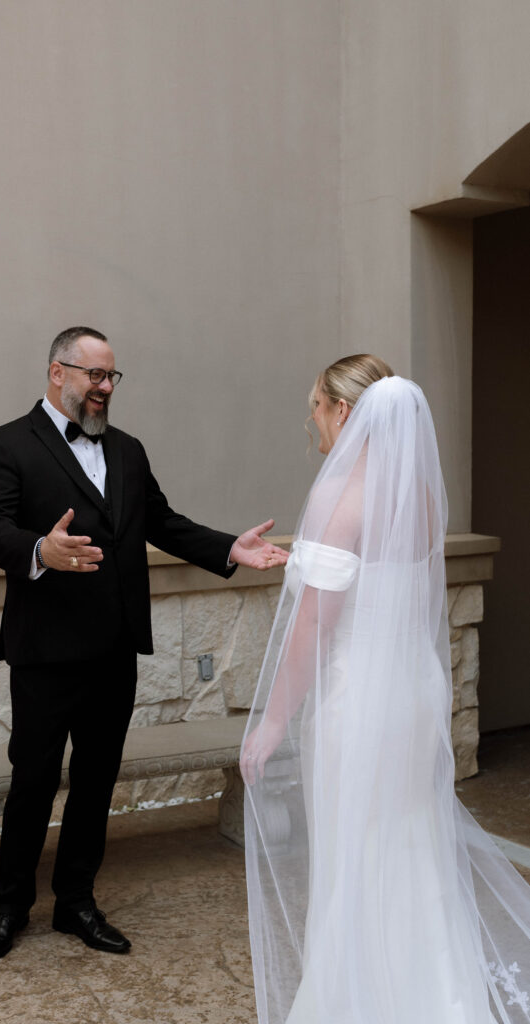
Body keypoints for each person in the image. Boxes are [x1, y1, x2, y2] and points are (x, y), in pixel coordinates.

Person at [0, 326, 288, 964]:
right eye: (94, 375)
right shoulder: (5, 444)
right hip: (44, 650)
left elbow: (162, 522)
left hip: (113, 648)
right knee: (32, 780)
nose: (105, 388)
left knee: (95, 781)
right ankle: (9, 909)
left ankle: (76, 903)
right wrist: (40, 550)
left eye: (112, 377)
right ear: (58, 372)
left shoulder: (130, 449)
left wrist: (229, 547)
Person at [241, 354, 530, 1024]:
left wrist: (272, 723)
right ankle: (434, 995)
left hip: (356, 700)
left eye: (315, 405)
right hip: (410, 695)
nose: (309, 418)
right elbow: (381, 587)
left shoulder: (336, 495)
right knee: (410, 844)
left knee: (355, 852)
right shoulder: (418, 495)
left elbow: (313, 625)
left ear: (344, 412)